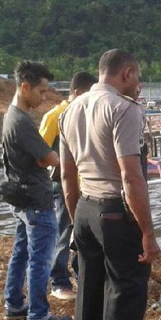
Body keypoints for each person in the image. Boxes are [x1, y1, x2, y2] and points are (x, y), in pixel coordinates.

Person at [59, 49, 161, 320]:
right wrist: (148, 232)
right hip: (116, 213)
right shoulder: (124, 110)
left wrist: (78, 221)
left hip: (85, 210)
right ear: (126, 73)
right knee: (124, 302)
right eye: (138, 78)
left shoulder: (70, 111)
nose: (139, 86)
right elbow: (131, 177)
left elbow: (68, 178)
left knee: (90, 298)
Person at [2, 60, 71, 320]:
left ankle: (14, 303)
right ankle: (39, 314)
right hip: (37, 201)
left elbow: (42, 158)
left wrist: (46, 159)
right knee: (40, 259)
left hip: (22, 196)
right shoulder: (21, 122)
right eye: (41, 92)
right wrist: (55, 158)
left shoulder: (11, 116)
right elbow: (49, 157)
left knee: (21, 253)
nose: (44, 99)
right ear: (25, 87)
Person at [39, 71, 98, 300]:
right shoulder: (55, 116)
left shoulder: (87, 114)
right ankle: (59, 281)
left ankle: (81, 276)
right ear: (77, 92)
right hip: (60, 184)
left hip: (85, 185)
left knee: (81, 233)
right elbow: (39, 151)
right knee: (63, 233)